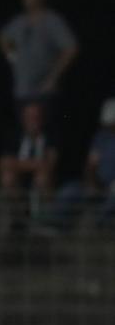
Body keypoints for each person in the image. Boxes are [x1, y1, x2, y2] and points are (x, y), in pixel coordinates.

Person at [0, 0, 77, 111]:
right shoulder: (19, 22)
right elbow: (3, 37)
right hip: (22, 92)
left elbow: (71, 48)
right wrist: (13, 58)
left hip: (44, 92)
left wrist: (53, 78)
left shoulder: (52, 21)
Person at [48, 98, 115, 229]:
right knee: (69, 190)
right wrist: (92, 182)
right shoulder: (101, 137)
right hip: (98, 183)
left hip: (113, 190)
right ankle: (56, 225)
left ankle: (101, 227)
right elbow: (91, 165)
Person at [0, 102, 58, 223]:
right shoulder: (14, 136)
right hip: (19, 178)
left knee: (42, 178)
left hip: (42, 180)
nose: (33, 121)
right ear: (23, 118)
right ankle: (16, 217)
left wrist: (20, 165)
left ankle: (38, 218)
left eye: (36, 117)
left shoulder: (50, 137)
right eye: (30, 117)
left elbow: (50, 164)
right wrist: (35, 165)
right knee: (7, 177)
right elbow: (4, 163)